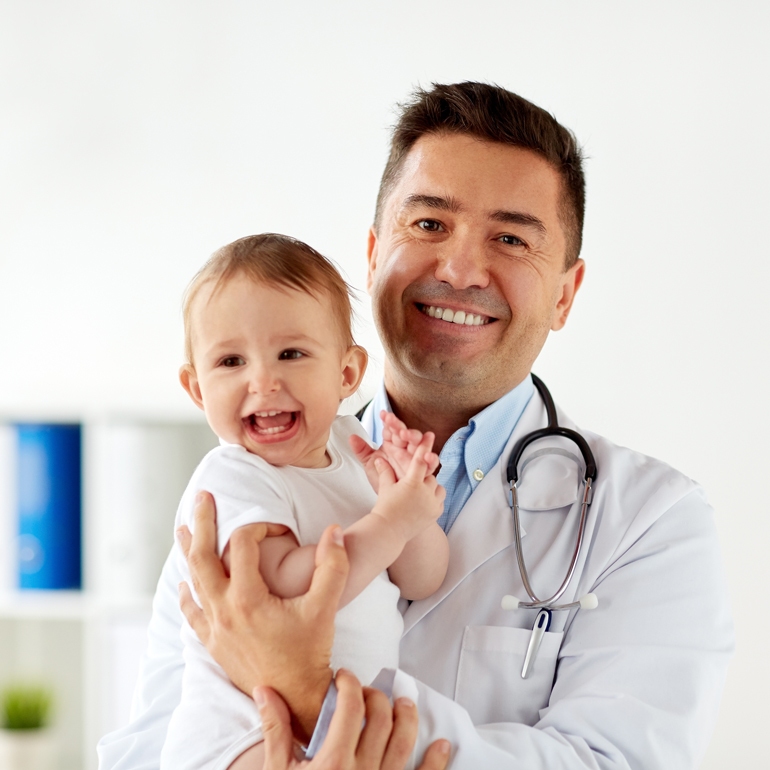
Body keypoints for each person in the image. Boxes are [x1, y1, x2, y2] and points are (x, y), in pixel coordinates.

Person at [98, 82, 734, 769]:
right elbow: (148, 750)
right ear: (374, 254)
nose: (459, 270)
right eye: (429, 224)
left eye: (510, 238)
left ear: (563, 294)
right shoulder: (248, 483)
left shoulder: (650, 521)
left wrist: (309, 692)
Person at [149, 233, 448, 769]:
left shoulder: (354, 449)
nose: (263, 381)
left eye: (291, 354)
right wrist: (389, 521)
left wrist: (410, 507)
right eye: (231, 361)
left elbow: (423, 580)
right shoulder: (231, 476)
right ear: (196, 389)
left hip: (337, 726)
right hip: (239, 733)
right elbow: (288, 594)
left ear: (346, 374)